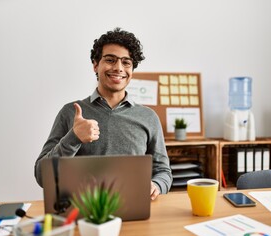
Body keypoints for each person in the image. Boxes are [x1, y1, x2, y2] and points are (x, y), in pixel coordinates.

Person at [34, 28, 172, 200]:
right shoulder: (70, 112)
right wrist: (74, 138)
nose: (118, 68)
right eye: (110, 60)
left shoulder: (148, 117)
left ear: (132, 70)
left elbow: (163, 172)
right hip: (82, 215)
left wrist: (157, 185)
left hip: (134, 210)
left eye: (126, 62)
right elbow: (42, 176)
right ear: (95, 64)